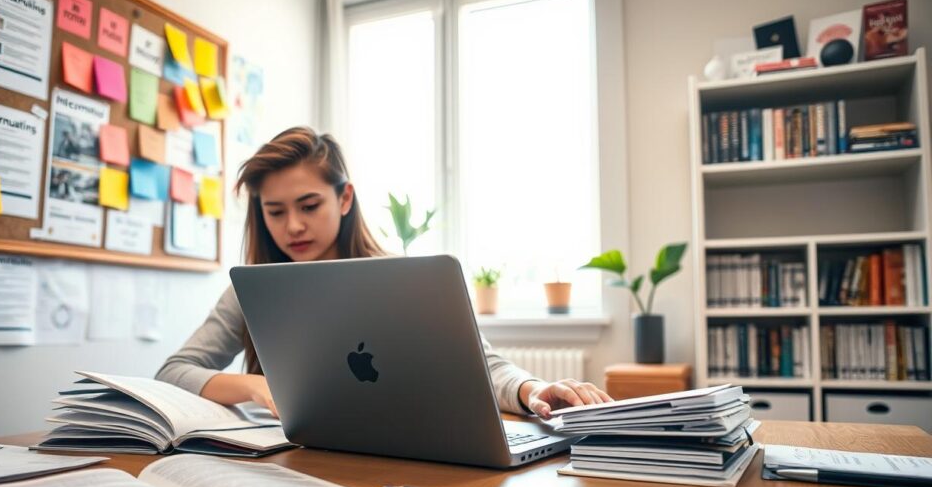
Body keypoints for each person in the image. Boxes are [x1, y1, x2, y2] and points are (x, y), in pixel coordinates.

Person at [156, 126, 612, 419]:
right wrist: (255, 386)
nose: (292, 225)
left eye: (309, 205)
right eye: (275, 212)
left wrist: (531, 387)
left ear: (345, 198)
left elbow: (482, 366)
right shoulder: (249, 290)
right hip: (283, 460)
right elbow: (174, 371)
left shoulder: (404, 280)